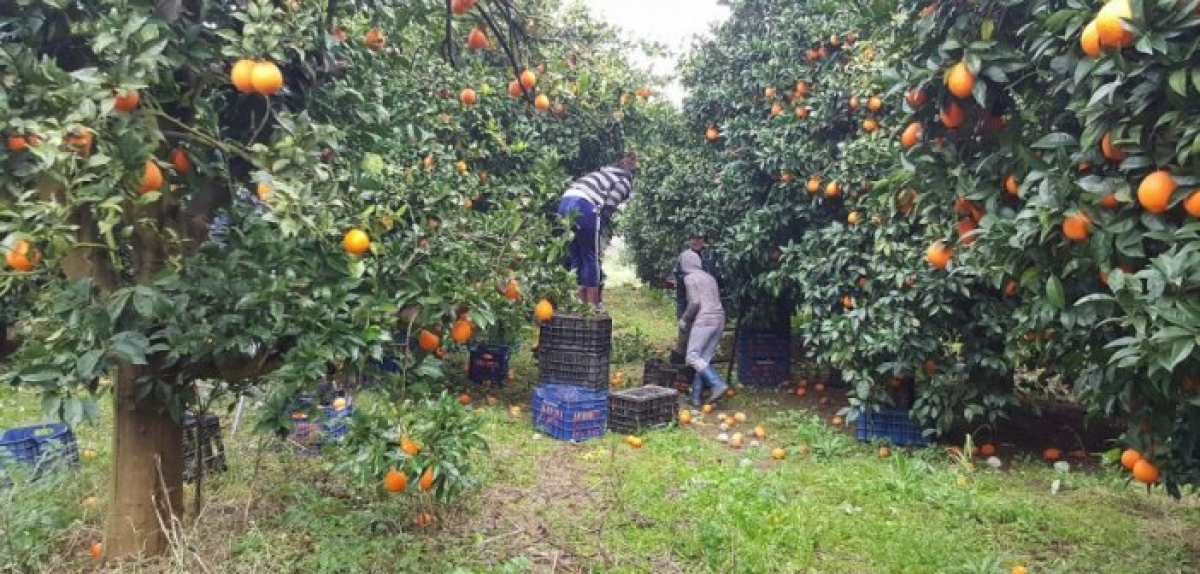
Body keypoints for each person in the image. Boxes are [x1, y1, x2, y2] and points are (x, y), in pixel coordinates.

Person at [557, 153, 638, 307]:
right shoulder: (624, 180)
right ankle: (591, 306)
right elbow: (608, 207)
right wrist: (600, 237)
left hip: (564, 202)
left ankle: (575, 302)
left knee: (576, 255)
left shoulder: (603, 173)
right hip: (584, 205)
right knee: (591, 256)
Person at [678, 250, 728, 405]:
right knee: (703, 360)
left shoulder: (690, 278)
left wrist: (685, 319)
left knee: (692, 356)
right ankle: (696, 398)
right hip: (720, 318)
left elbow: (695, 302)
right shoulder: (709, 277)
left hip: (705, 319)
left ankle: (717, 383)